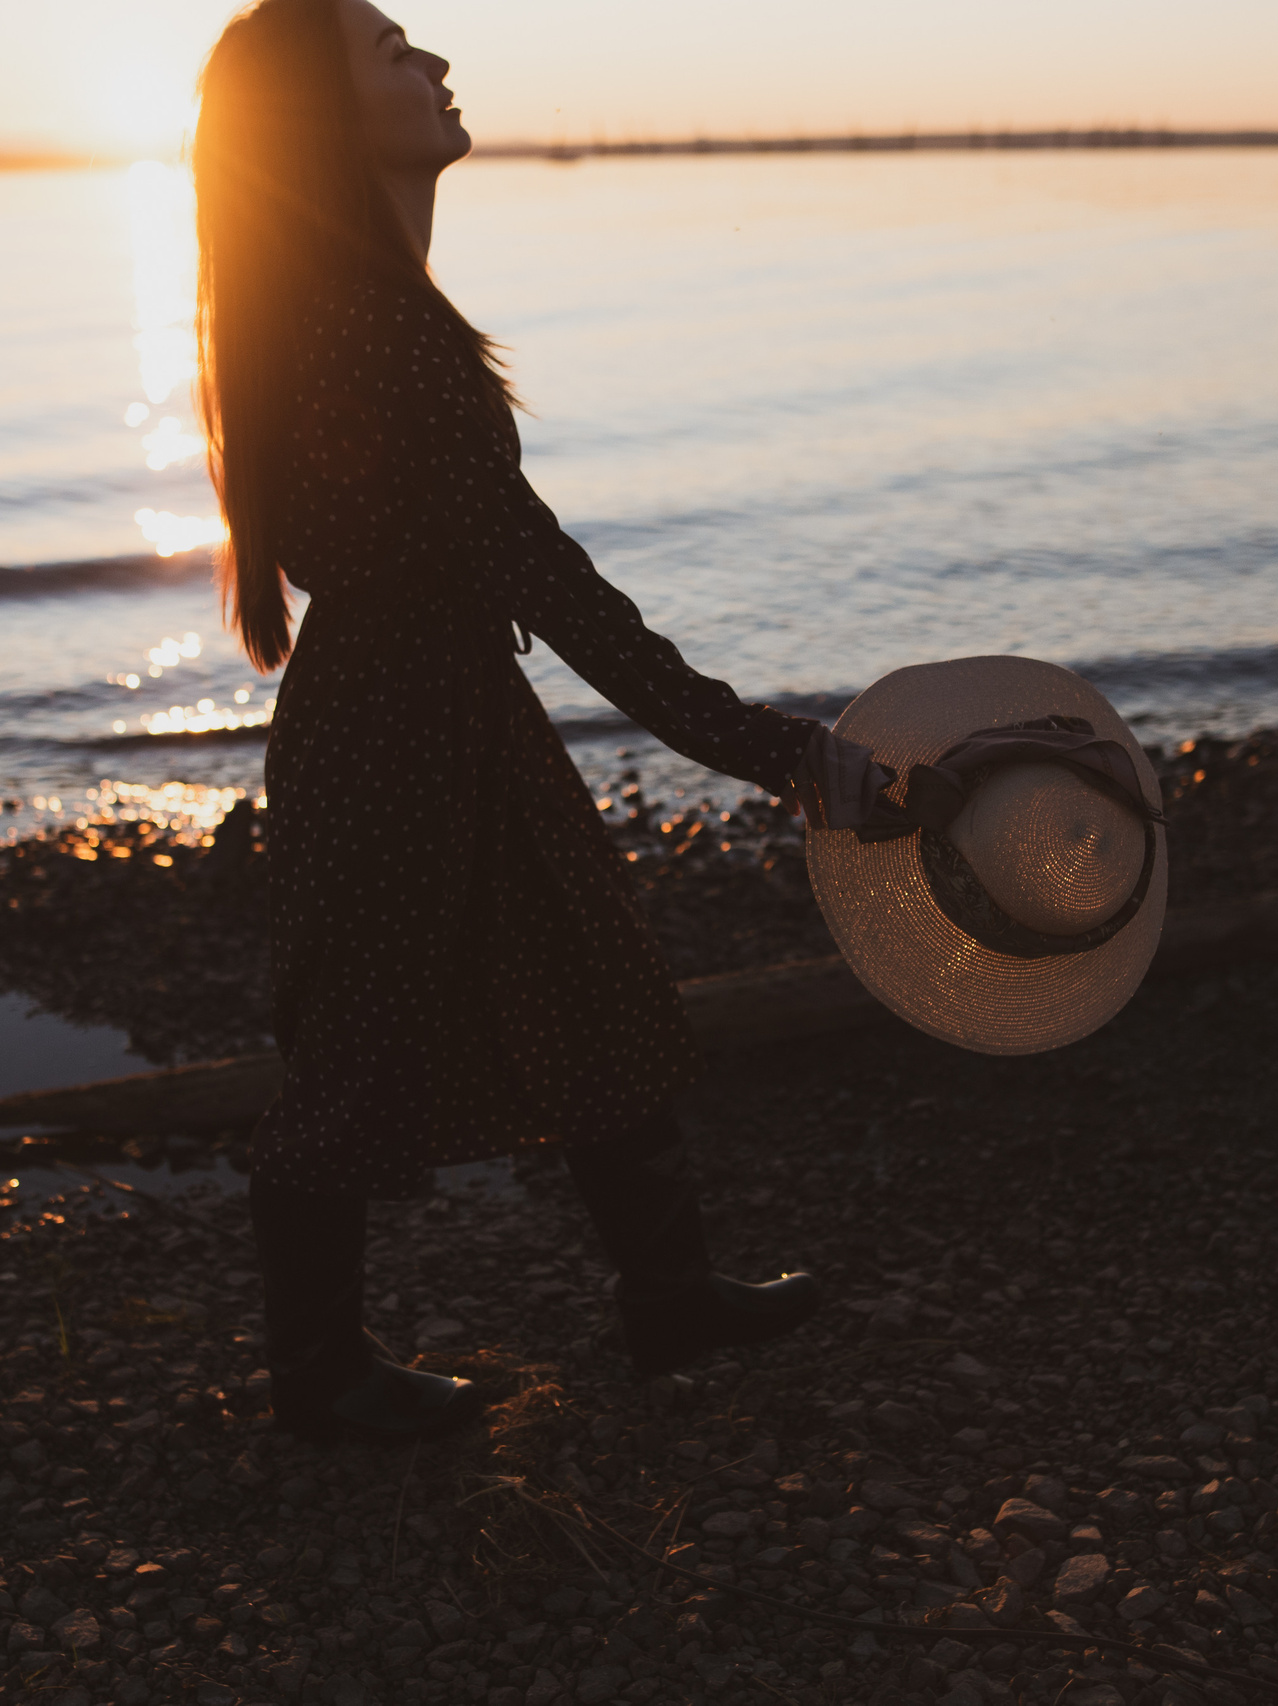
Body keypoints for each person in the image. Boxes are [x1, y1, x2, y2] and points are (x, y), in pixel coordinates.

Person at [193, 0, 825, 1444]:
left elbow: (512, 572)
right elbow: (549, 575)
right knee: (357, 1051)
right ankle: (322, 1373)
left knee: (587, 976)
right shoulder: (371, 331)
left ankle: (667, 1296)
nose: (435, 63)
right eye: (388, 51)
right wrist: (782, 750)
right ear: (321, 121)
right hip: (397, 720)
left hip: (449, 699)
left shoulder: (364, 305)